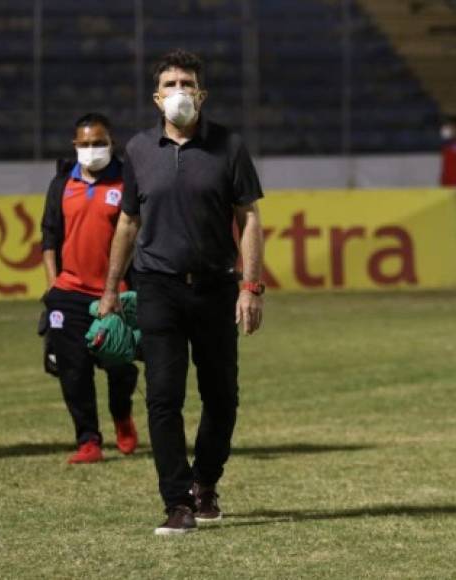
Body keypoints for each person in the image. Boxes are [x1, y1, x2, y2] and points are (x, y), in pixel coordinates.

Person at [97, 49, 266, 535]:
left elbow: (248, 217)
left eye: (186, 83)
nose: (178, 92)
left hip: (215, 288)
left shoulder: (228, 147)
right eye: (170, 84)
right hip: (157, 288)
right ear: (156, 97)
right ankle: (176, 501)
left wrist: (250, 286)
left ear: (202, 93)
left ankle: (205, 483)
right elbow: (128, 222)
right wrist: (111, 290)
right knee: (163, 398)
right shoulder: (138, 151)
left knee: (222, 398)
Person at [40, 113, 139, 465]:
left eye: (99, 142)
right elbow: (49, 236)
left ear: (112, 143)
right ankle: (88, 440)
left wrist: (123, 286)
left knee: (119, 365)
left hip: (114, 291)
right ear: (75, 146)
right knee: (73, 368)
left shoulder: (127, 181)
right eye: (85, 144)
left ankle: (122, 414)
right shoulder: (61, 184)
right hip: (68, 291)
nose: (92, 149)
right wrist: (53, 286)